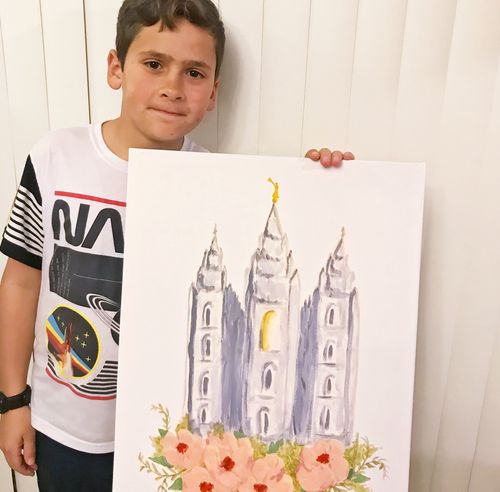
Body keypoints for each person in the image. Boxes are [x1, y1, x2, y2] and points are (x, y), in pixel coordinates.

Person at [0, 1, 354, 491]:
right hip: (66, 430)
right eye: (153, 64)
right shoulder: (55, 156)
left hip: (171, 440)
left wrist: (327, 188)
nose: (172, 86)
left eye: (193, 72)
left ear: (213, 93)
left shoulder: (217, 186)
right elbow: (20, 282)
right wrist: (12, 400)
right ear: (115, 67)